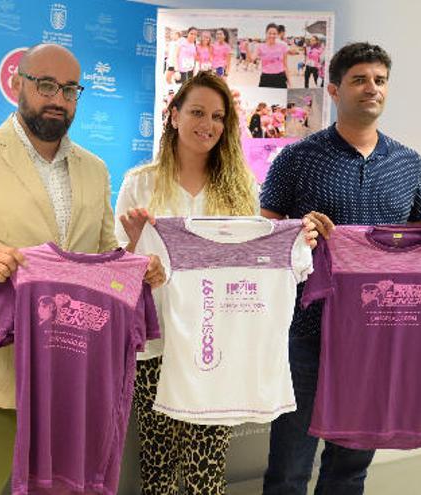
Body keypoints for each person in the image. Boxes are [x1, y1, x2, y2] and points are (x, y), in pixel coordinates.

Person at [0, 43, 165, 495]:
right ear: (17, 83)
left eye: (70, 90)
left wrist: (135, 263)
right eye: (46, 85)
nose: (58, 98)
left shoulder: (95, 170)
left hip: (70, 371)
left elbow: (101, 254)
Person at [260, 42, 421, 495]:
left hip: (376, 335)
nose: (372, 88)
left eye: (380, 80)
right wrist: (297, 234)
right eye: (359, 79)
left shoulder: (408, 163)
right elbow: (262, 239)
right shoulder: (295, 159)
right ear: (333, 89)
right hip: (307, 331)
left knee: (350, 467)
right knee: (290, 465)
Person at [115, 71, 317, 495]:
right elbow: (117, 265)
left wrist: (300, 237)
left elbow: (253, 261)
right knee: (157, 469)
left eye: (218, 116)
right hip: (157, 345)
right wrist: (137, 254)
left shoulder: (241, 186)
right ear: (173, 116)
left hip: (216, 347)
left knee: (206, 474)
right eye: (197, 112)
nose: (207, 124)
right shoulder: (140, 183)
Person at [252, 23, 291, 88]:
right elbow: (251, 59)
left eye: (274, 34)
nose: (272, 35)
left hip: (280, 78)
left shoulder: (283, 46)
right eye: (269, 33)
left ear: (277, 34)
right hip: (266, 78)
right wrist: (247, 48)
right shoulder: (260, 46)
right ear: (266, 33)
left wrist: (290, 82)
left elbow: (285, 65)